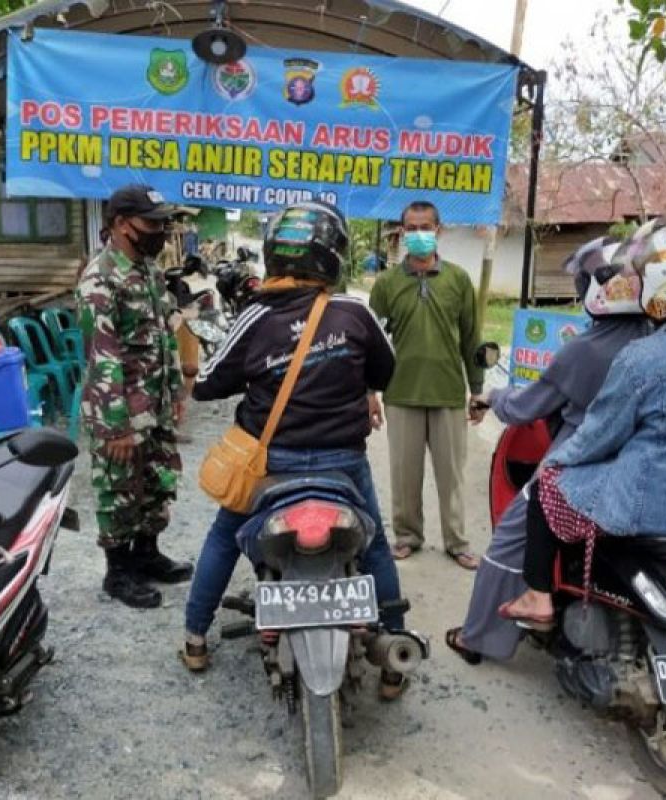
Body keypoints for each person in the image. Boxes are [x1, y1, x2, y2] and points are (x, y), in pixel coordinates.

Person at [181, 201, 409, 699]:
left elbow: (208, 385)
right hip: (342, 465)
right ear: (333, 256)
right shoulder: (354, 312)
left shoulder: (255, 315)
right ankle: (396, 651)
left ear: (275, 255)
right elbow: (386, 373)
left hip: (271, 467)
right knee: (373, 545)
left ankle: (195, 637)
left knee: (224, 537)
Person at [498, 221, 666, 629]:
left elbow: (599, 433)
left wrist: (554, 464)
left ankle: (538, 597)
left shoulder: (643, 357)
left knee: (546, 489)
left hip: (645, 506)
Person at [445, 237, 651, 664]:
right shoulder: (656, 340)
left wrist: (494, 398)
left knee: (508, 539)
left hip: (578, 458)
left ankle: (478, 638)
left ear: (597, 289)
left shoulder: (585, 349)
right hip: (640, 465)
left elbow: (528, 406)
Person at [77, 184, 194, 609]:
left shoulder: (147, 270)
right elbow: (102, 357)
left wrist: (176, 390)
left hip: (156, 405)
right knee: (120, 489)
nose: (160, 230)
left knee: (157, 483)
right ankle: (118, 572)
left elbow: (164, 335)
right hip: (121, 410)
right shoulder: (99, 280)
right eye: (152, 223)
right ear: (121, 224)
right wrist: (116, 426)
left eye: (164, 222)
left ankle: (146, 555)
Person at [369, 200, 485, 570]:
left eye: (425, 227)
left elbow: (472, 337)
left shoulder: (458, 280)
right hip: (401, 393)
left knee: (451, 476)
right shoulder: (387, 284)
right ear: (402, 232)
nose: (418, 234)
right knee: (405, 475)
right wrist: (369, 392)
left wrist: (477, 389)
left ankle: (457, 541)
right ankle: (407, 536)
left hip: (449, 392)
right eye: (411, 228)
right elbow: (371, 342)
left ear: (439, 230)